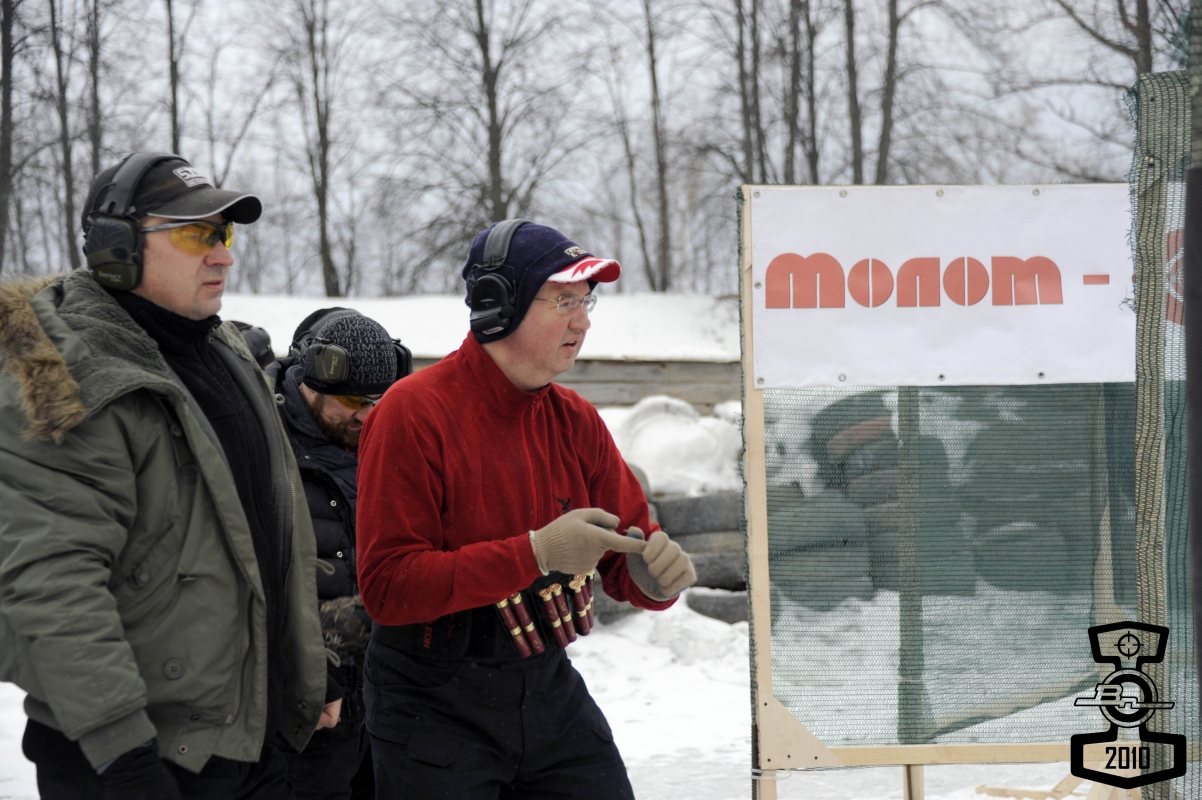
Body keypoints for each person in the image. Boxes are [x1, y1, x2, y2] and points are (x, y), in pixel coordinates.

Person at [0, 153, 334, 799]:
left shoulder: (218, 350)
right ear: (116, 247)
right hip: (134, 757)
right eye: (195, 234)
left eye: (223, 232)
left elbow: (266, 533)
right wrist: (124, 756)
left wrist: (305, 669)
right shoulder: (66, 374)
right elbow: (51, 582)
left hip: (244, 738)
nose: (223, 255)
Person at [356, 219, 698, 798]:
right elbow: (389, 588)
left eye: (586, 302)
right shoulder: (411, 413)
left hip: (546, 681)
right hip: (433, 697)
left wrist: (652, 578)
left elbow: (628, 552)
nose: (583, 321)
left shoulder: (575, 420)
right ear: (498, 305)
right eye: (565, 301)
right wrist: (536, 553)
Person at [269, 308, 412, 799]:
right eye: (352, 400)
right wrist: (309, 669)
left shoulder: (388, 438)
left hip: (386, 695)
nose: (366, 414)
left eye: (378, 400)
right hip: (305, 705)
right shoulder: (263, 444)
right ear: (312, 378)